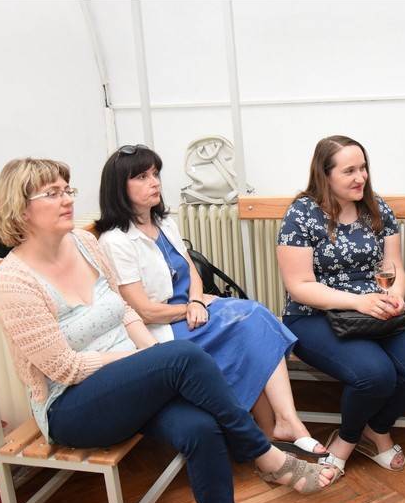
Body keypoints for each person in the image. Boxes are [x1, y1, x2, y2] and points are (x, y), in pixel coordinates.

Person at [0, 158, 334, 503]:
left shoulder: (84, 244)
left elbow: (123, 310)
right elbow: (65, 368)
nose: (67, 199)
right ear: (20, 208)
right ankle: (265, 454)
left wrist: (147, 358)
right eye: (52, 193)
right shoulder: (14, 279)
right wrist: (147, 359)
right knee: (181, 355)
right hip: (71, 406)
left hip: (127, 382)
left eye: (67, 190)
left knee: (202, 428)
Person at [95, 145, 326, 458]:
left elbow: (191, 269)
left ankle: (279, 425)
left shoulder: (165, 223)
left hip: (193, 312)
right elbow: (143, 311)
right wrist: (190, 308)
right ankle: (280, 424)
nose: (155, 182)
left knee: (255, 317)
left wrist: (197, 301)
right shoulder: (115, 241)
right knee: (250, 324)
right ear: (119, 188)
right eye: (142, 177)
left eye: (155, 174)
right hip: (163, 330)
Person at [276, 135, 405, 483]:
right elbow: (300, 286)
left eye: (363, 168)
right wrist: (358, 301)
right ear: (325, 175)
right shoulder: (302, 213)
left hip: (375, 306)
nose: (360, 177)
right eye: (349, 171)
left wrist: (395, 295)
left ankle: (374, 428)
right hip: (315, 314)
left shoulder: (377, 207)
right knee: (375, 374)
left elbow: (394, 267)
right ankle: (346, 442)